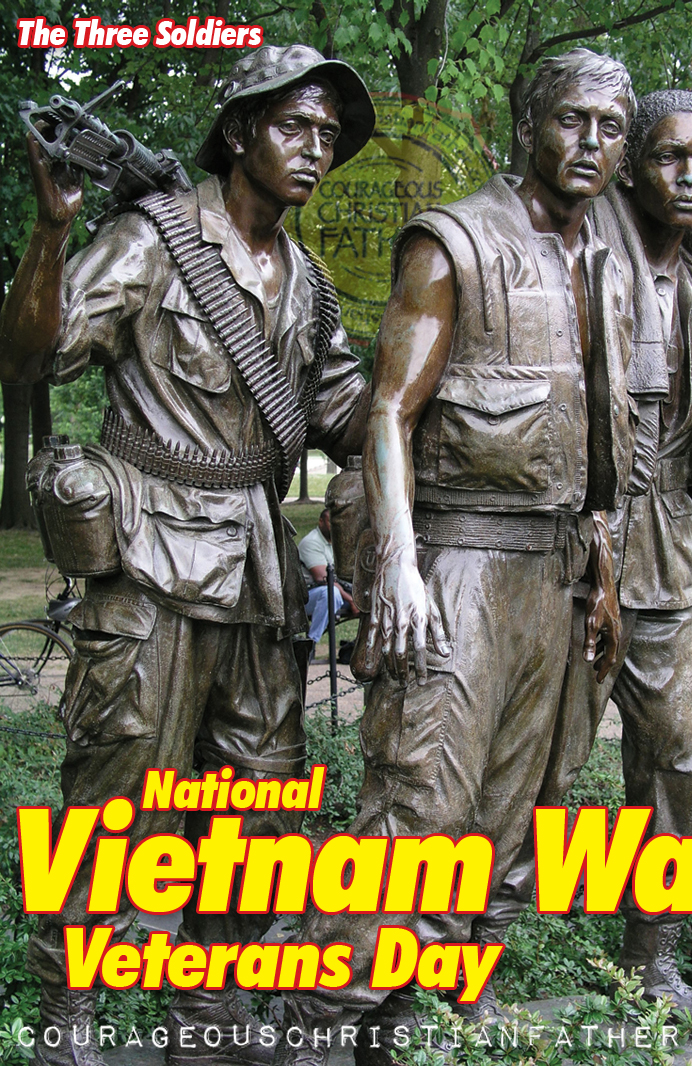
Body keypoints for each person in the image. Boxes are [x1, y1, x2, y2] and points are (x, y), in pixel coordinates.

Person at [0, 44, 374, 1066]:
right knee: (114, 800)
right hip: (152, 563)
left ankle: (200, 1010)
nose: (314, 149)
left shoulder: (309, 281)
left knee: (254, 803)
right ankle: (68, 1022)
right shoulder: (152, 237)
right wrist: (51, 229)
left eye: (328, 136)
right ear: (241, 130)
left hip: (256, 570)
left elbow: (348, 409)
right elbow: (33, 352)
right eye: (295, 126)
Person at [277, 48, 636, 1065]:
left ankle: (419, 1031)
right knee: (413, 825)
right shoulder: (452, 242)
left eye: (609, 129)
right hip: (458, 566)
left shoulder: (596, 264)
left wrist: (601, 582)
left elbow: (598, 456)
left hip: (554, 580)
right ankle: (313, 1032)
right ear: (526, 122)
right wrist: (395, 562)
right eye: (570, 121)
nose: (590, 145)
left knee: (510, 827)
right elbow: (387, 408)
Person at [475, 89, 692, 1018]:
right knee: (533, 777)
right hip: (568, 561)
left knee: (685, 765)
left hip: (665, 567)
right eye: (669, 157)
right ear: (632, 163)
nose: (690, 178)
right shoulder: (576, 260)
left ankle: (656, 965)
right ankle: (467, 974)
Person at [298, 508, 358, 653]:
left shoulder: (338, 543)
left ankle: (363, 648)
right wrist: (351, 600)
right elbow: (324, 578)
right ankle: (311, 643)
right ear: (321, 521)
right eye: (331, 522)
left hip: (338, 592)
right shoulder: (311, 543)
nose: (335, 526)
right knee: (331, 594)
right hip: (306, 597)